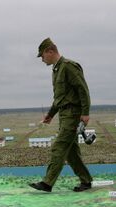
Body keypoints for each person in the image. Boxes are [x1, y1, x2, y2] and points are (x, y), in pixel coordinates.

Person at [29, 38, 94, 193]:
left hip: (73, 115)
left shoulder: (69, 67)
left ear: (50, 51)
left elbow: (83, 90)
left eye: (42, 56)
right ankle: (86, 181)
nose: (42, 59)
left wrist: (85, 113)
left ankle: (47, 183)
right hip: (64, 115)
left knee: (59, 147)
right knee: (71, 153)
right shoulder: (57, 70)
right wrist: (51, 115)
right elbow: (59, 98)